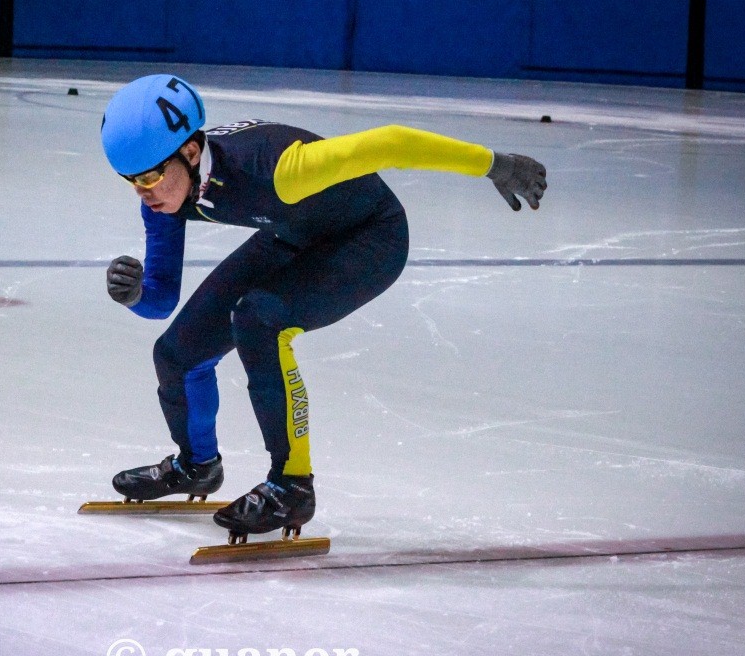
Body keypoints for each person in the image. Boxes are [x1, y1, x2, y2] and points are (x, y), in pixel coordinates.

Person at [100, 74, 546, 539]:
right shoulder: (166, 195)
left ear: (191, 153)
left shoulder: (282, 170)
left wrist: (496, 165)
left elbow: (392, 143)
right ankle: (197, 466)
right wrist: (136, 295)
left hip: (370, 238)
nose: (143, 192)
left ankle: (292, 485)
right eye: (130, 181)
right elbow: (161, 300)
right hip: (292, 233)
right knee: (176, 353)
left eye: (149, 177)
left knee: (258, 319)